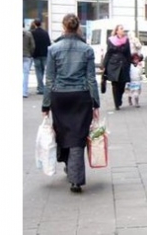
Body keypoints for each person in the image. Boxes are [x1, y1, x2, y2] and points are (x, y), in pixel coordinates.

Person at [41, 13, 100, 193]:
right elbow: (91, 78)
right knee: (78, 135)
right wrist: (95, 102)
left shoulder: (53, 49)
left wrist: (46, 105)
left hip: (60, 96)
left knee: (63, 131)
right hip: (81, 96)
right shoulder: (87, 49)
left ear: (64, 27)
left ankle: (68, 165)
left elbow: (49, 79)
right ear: (77, 27)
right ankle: (76, 179)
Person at [102, 24, 132, 110]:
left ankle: (119, 98)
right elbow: (108, 53)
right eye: (121, 29)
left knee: (122, 84)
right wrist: (104, 65)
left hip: (123, 64)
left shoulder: (126, 40)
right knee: (115, 84)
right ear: (117, 31)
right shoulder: (111, 40)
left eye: (123, 29)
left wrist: (130, 63)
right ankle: (116, 103)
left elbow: (128, 53)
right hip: (113, 64)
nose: (123, 30)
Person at [31, 19, 52, 95]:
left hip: (36, 54)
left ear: (34, 24)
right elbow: (49, 43)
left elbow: (31, 44)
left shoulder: (32, 33)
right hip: (44, 54)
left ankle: (40, 88)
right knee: (43, 70)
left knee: (38, 71)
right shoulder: (45, 33)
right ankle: (42, 87)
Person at [23, 24, 36, 98]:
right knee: (26, 74)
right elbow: (33, 46)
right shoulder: (28, 33)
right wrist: (30, 53)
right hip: (27, 56)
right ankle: (24, 92)